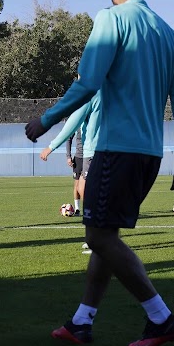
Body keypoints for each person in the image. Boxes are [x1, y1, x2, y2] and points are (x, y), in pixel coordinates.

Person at [25, 0, 174, 346]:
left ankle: (161, 317)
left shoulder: (110, 19)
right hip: (150, 155)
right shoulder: (169, 35)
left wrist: (47, 120)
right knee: (105, 234)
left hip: (116, 149)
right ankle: (82, 321)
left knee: (99, 237)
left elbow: (87, 83)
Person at [41, 94, 102, 254]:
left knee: (88, 192)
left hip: (93, 151)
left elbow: (69, 127)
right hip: (98, 151)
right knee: (84, 189)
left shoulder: (90, 96)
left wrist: (51, 146)